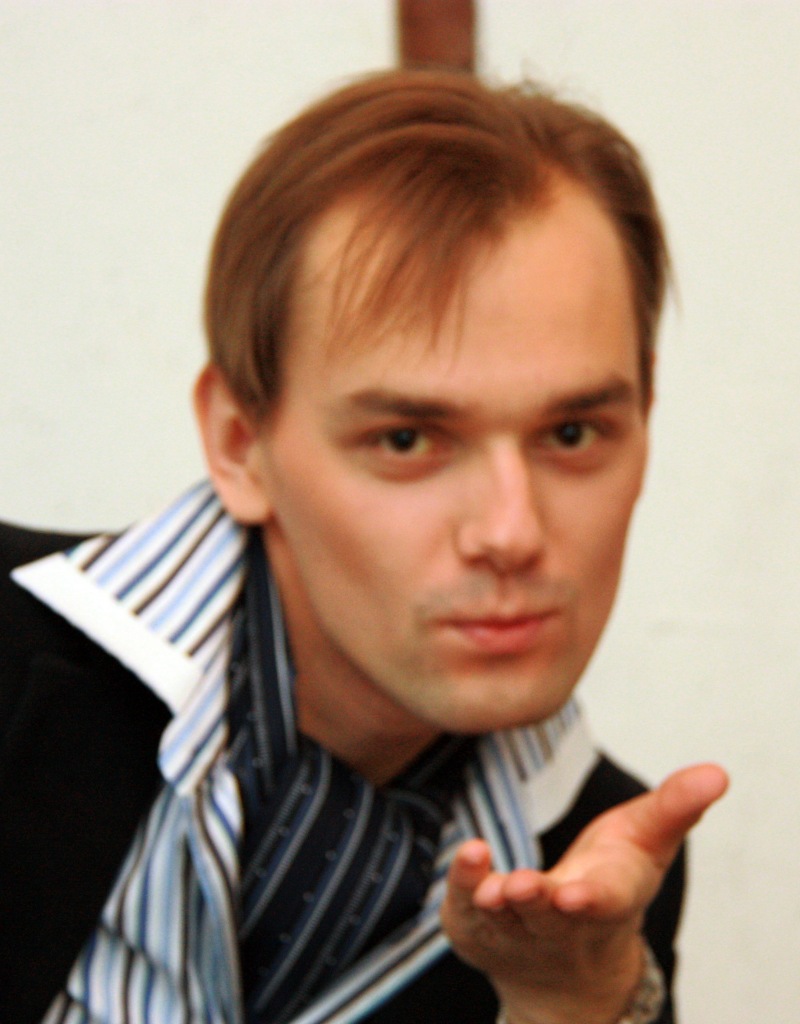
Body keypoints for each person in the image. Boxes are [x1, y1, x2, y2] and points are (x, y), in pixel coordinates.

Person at [0, 69, 727, 1024]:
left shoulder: (603, 875)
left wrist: (577, 1006)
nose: (512, 532)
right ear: (239, 444)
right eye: (407, 440)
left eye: (572, 433)